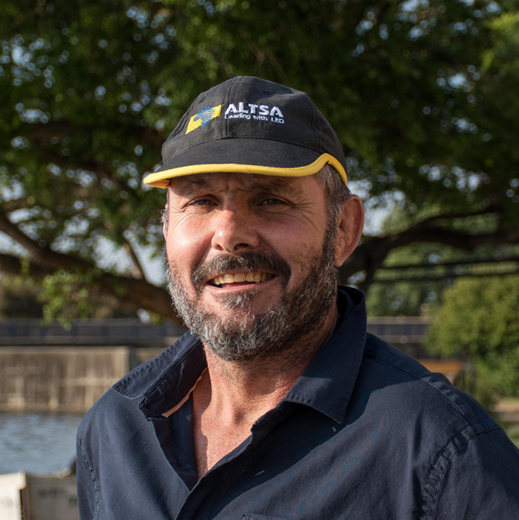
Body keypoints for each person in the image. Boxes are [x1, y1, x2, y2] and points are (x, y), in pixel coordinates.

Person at [77, 76, 519, 519]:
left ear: (343, 229)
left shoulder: (444, 453)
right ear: (166, 230)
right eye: (201, 202)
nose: (229, 235)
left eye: (271, 200)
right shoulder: (114, 429)